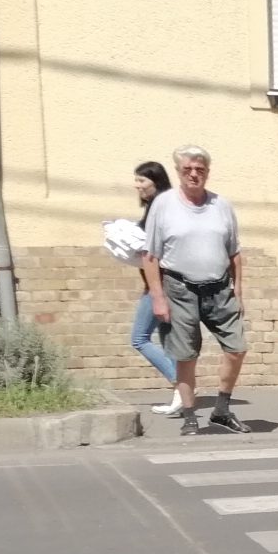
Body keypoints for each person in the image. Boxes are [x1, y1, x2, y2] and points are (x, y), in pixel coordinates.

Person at [143, 145, 248, 434]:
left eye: (200, 170)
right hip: (180, 289)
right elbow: (150, 256)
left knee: (237, 348)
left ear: (207, 173)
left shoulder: (221, 205)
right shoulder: (163, 204)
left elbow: (234, 253)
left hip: (219, 289)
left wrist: (238, 290)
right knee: (186, 355)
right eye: (187, 169)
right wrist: (157, 297)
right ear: (178, 171)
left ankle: (222, 410)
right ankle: (190, 416)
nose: (193, 174)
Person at [102, 161, 184, 417]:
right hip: (161, 285)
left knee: (139, 338)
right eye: (136, 180)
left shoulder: (161, 210)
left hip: (162, 286)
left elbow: (154, 254)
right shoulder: (157, 209)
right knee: (169, 341)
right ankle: (181, 394)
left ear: (156, 182)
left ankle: (181, 385)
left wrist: (154, 290)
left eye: (142, 181)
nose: (136, 185)